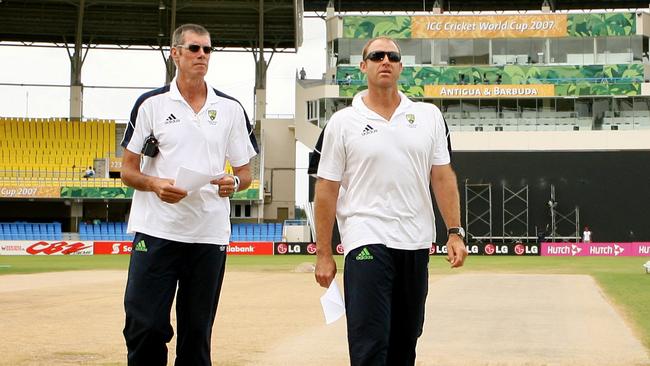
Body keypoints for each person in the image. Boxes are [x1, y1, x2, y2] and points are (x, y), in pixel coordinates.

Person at [313, 36, 468, 365]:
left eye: (392, 56)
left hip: (414, 241)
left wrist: (455, 231)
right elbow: (326, 189)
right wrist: (323, 253)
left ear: (400, 66)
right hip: (365, 237)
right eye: (377, 55)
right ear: (363, 65)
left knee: (405, 342)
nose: (385, 60)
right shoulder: (342, 122)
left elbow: (442, 177)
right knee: (370, 342)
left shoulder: (428, 116)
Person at [120, 23, 258, 366]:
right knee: (146, 326)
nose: (202, 56)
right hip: (156, 230)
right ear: (175, 53)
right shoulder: (150, 104)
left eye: (207, 50)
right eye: (194, 48)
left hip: (208, 235)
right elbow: (127, 171)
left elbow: (245, 174)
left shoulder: (231, 109)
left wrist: (235, 184)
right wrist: (154, 184)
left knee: (197, 334)